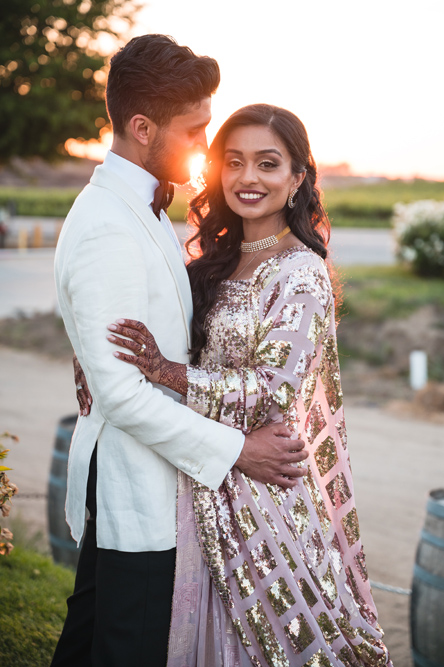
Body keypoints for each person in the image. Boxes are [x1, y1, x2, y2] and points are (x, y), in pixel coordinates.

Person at [98, 104, 393, 665]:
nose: (248, 178)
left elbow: (273, 391)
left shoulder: (299, 270)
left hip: (262, 496)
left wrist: (165, 372)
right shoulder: (215, 258)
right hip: (205, 474)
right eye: (234, 162)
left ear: (297, 178)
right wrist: (97, 359)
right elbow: (158, 326)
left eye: (267, 163)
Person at [52, 37, 309, 667]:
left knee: (88, 642)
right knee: (125, 648)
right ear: (142, 127)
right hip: (134, 489)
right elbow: (122, 395)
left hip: (157, 483)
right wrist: (240, 450)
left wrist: (91, 349)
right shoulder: (110, 224)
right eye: (194, 130)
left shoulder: (138, 206)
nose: (204, 145)